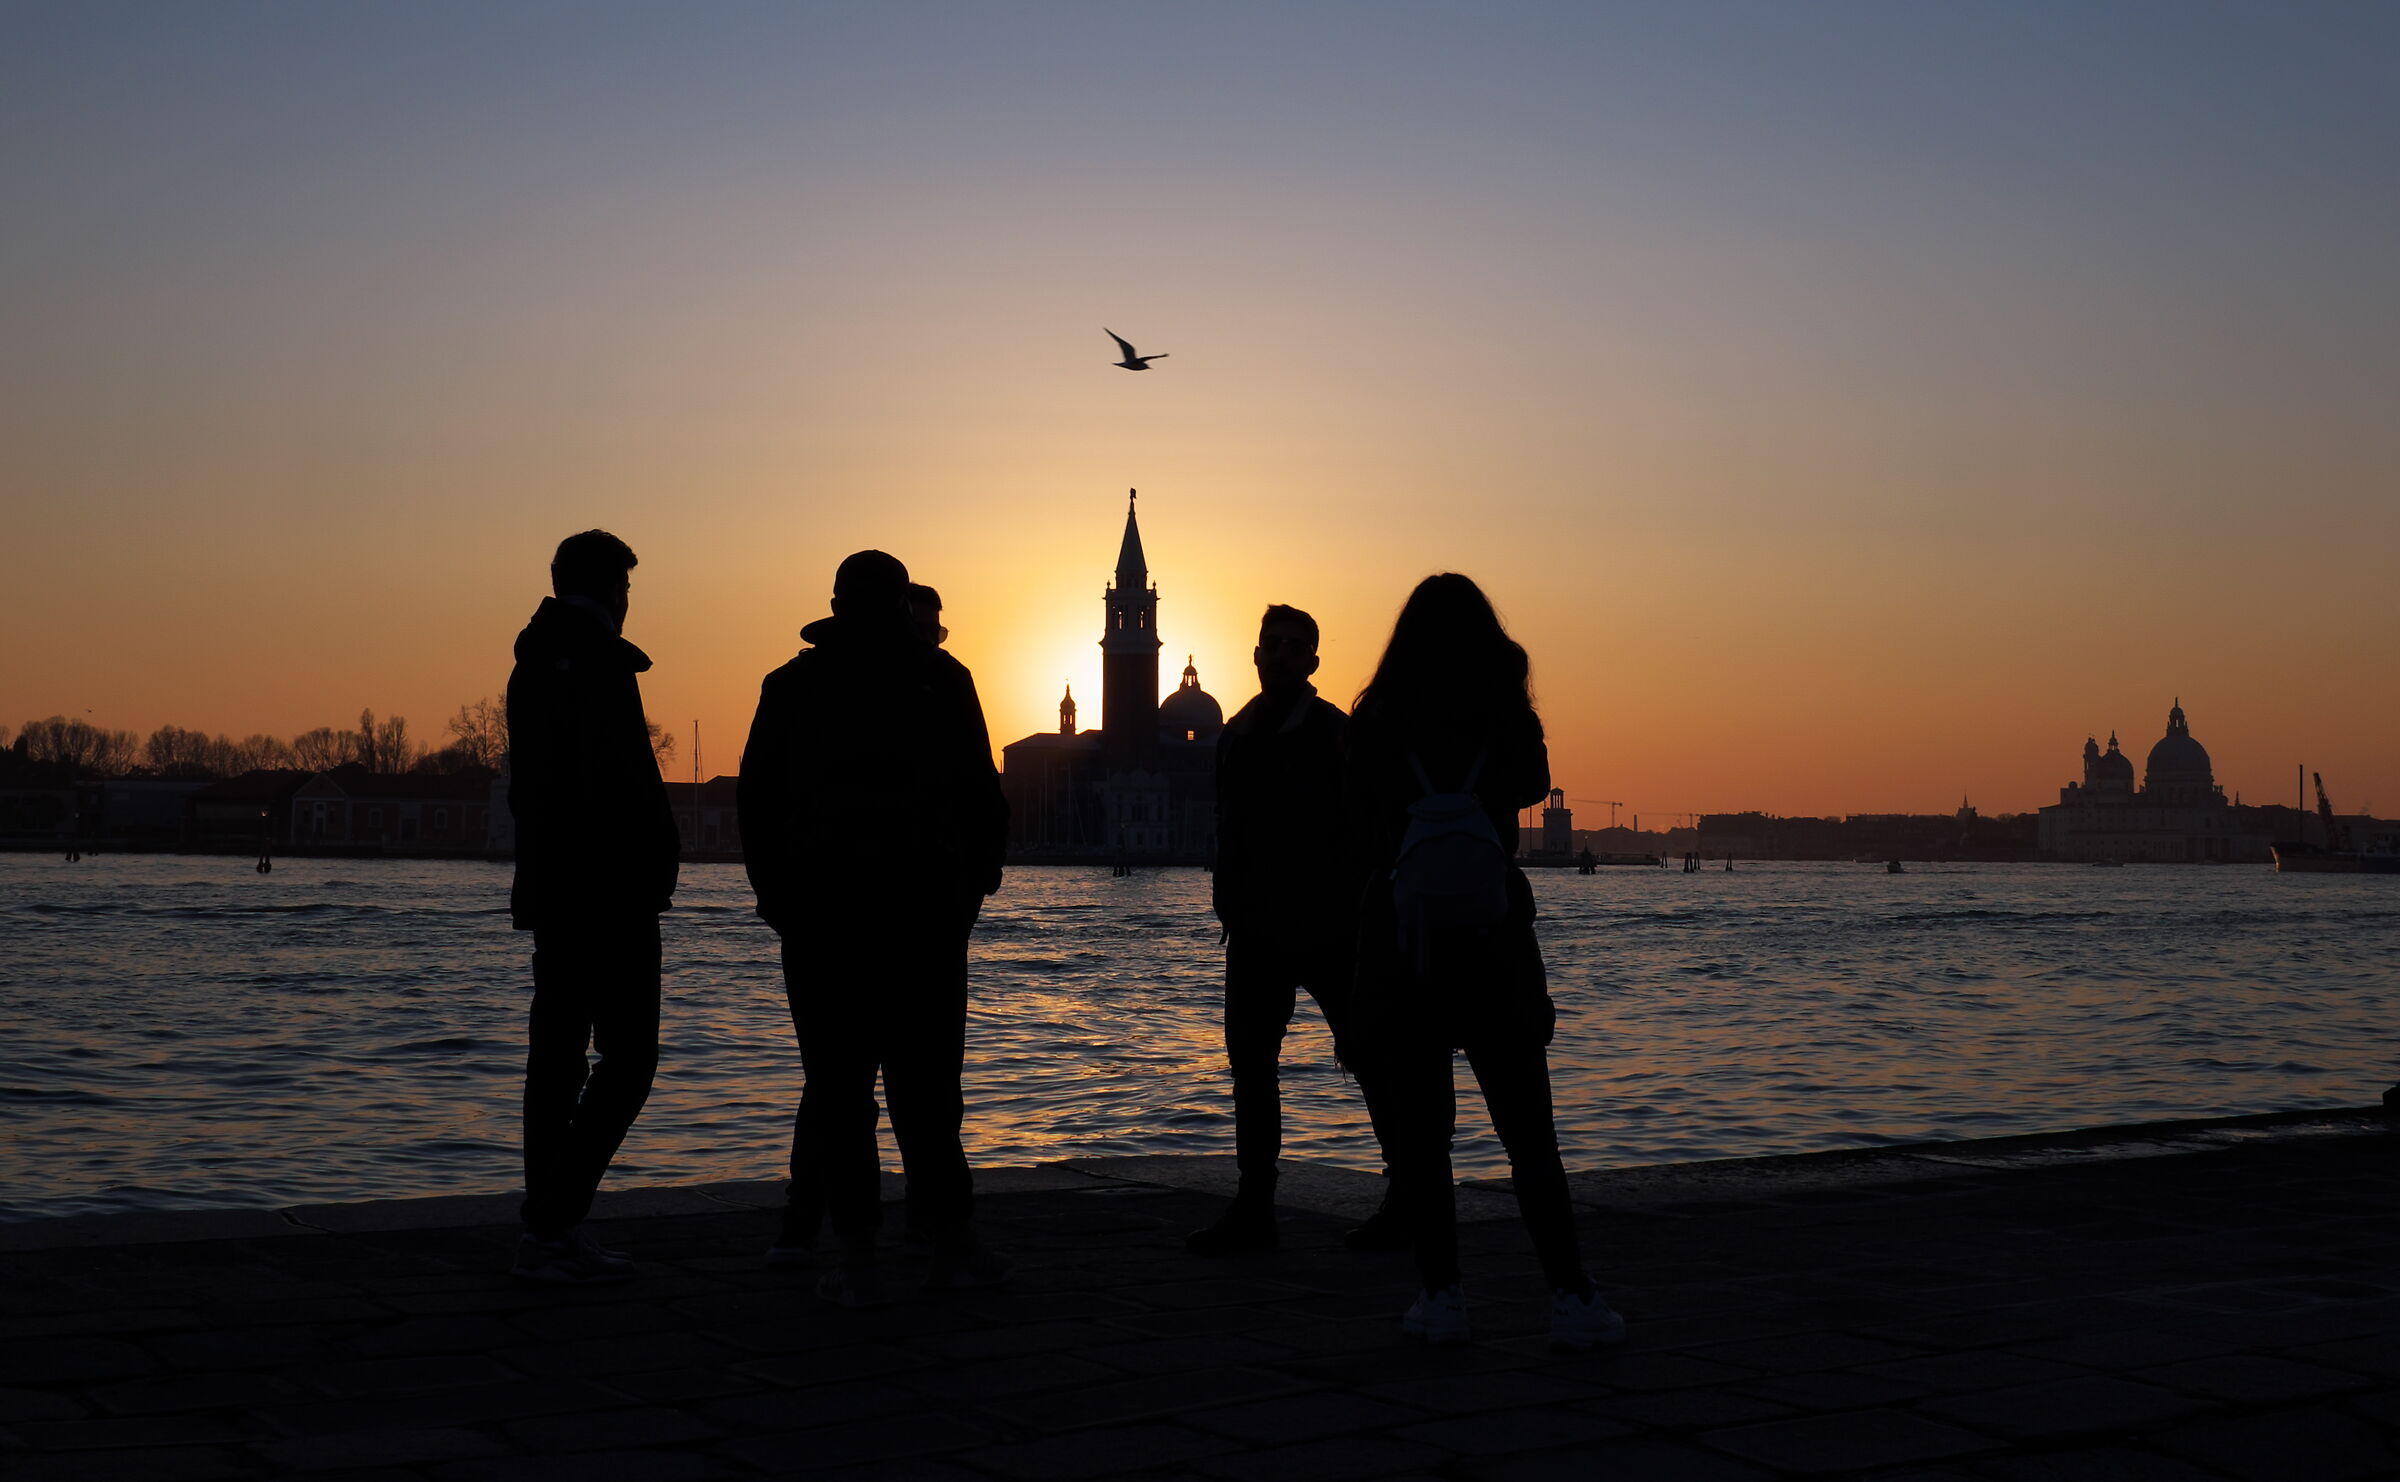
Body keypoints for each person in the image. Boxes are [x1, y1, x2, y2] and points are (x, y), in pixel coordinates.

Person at [1342, 573, 1623, 1349]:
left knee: (1425, 1138)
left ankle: (1442, 1297)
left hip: (1407, 945)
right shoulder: (1500, 712)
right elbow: (1533, 783)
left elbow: (1359, 819)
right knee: (1530, 1133)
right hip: (1494, 940)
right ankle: (1572, 1298)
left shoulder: (1378, 719)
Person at [738, 550, 1011, 1304]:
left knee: (841, 1091)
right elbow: (984, 800)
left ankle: (858, 1252)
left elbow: (755, 807)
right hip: (922, 918)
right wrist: (970, 892)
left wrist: (778, 900)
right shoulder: (942, 682)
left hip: (824, 922)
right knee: (926, 1092)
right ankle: (948, 1240)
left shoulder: (792, 686)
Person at [1188, 604, 1398, 1255]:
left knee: (1368, 1057)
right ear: (1255, 654)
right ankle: (1255, 1206)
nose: (1278, 655)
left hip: (1334, 928)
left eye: (1292, 647)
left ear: (1311, 662)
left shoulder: (1337, 733)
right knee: (1251, 1068)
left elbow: (1370, 828)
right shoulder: (1235, 735)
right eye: (1269, 644)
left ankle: (1407, 1193)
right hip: (1254, 932)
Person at [504, 529, 680, 1285]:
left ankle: (550, 1221)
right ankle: (555, 1214)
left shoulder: (534, 663)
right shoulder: (601, 661)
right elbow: (624, 785)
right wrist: (656, 862)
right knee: (630, 1057)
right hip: (613, 891)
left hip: (556, 889)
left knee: (557, 1057)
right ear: (617, 589)